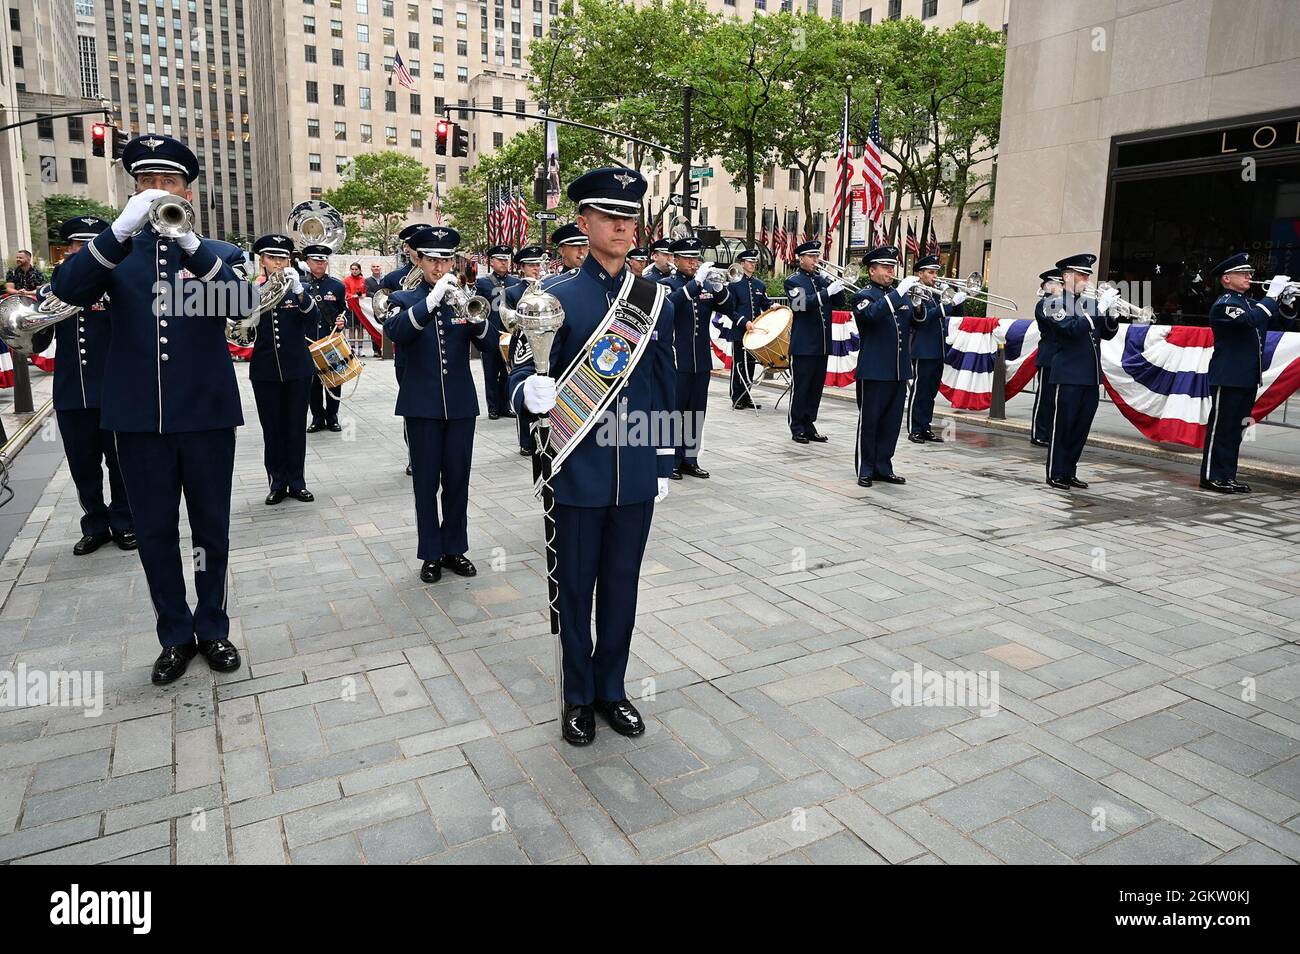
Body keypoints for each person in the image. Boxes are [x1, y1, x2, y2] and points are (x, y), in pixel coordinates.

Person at [51, 133, 248, 685]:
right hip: (138, 420)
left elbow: (239, 305)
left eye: (169, 182)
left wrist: (190, 244)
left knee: (211, 530)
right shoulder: (116, 255)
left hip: (206, 417)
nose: (158, 190)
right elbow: (67, 291)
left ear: (188, 190)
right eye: (148, 182)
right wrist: (116, 231)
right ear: (134, 187)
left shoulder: (216, 254)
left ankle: (212, 626)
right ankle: (174, 634)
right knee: (156, 532)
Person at [509, 167, 675, 747]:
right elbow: (523, 372)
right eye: (609, 216)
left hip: (632, 470)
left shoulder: (655, 300)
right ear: (583, 223)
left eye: (629, 217)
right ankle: (577, 696)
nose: (622, 226)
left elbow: (660, 382)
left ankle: (612, 690)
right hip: (575, 467)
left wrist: (661, 462)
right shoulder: (550, 299)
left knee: (623, 587)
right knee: (576, 588)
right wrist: (526, 394)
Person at [383, 226, 490, 584]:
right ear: (419, 259)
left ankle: (454, 548)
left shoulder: (464, 297)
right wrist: (429, 303)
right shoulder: (403, 297)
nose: (439, 266)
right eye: (432, 259)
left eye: (445, 259)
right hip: (422, 406)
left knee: (458, 480)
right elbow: (396, 333)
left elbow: (490, 345)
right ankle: (430, 552)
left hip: (460, 405)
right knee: (426, 483)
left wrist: (476, 313)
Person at [30, 217, 136, 556]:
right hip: (72, 390)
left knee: (119, 463)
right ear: (69, 249)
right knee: (82, 464)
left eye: (88, 244)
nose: (81, 251)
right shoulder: (54, 289)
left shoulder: (119, 286)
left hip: (114, 390)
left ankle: (124, 521)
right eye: (76, 245)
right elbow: (37, 340)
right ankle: (94, 524)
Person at [1200, 253, 1292, 493]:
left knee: (1236, 430)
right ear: (1227, 279)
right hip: (1228, 376)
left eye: (1249, 273)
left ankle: (1227, 475)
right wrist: (1271, 296)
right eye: (1243, 273)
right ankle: (1211, 475)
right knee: (1221, 428)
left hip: (1247, 377)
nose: (1250, 276)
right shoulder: (1225, 304)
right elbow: (1249, 321)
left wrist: (1285, 303)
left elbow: (1280, 324)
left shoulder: (1251, 304)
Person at [249, 234, 318, 505]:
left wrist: (300, 290)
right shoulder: (254, 291)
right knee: (272, 429)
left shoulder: (297, 290)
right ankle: (277, 482)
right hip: (265, 369)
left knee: (295, 427)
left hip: (297, 369)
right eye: (272, 258)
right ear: (262, 261)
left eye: (283, 258)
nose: (278, 262)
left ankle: (297, 481)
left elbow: (312, 320)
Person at [849, 245, 924, 487]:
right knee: (870, 421)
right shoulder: (863, 296)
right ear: (872, 270)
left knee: (891, 423)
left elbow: (917, 323)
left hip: (899, 369)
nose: (891, 271)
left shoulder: (898, 296)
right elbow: (871, 315)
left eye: (892, 266)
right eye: (885, 267)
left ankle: (883, 466)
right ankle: (866, 467)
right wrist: (898, 293)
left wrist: (918, 303)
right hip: (874, 369)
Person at [1046, 253, 1121, 491]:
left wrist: (1111, 314)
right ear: (1066, 276)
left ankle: (1069, 471)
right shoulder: (1055, 302)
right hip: (1068, 374)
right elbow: (1070, 330)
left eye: (1088, 276)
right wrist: (1099, 308)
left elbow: (1107, 334)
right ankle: (1056, 472)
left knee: (1080, 428)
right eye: (1081, 275)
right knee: (1063, 427)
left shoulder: (1087, 303)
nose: (1086, 280)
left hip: (1090, 375)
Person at [660, 236, 731, 479]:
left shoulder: (704, 285)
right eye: (688, 259)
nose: (693, 264)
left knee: (696, 412)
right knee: (674, 412)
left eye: (696, 259)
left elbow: (727, 308)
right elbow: (669, 305)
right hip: (678, 360)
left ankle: (690, 458)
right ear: (675, 259)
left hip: (701, 360)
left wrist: (720, 289)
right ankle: (670, 460)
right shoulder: (666, 284)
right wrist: (695, 284)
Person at [783, 240, 846, 443]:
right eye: (811, 257)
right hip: (804, 345)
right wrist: (826, 292)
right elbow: (800, 305)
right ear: (800, 258)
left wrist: (834, 283)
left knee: (816, 388)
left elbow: (840, 302)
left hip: (822, 344)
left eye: (816, 256)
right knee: (802, 387)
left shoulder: (821, 280)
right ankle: (797, 426)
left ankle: (809, 423)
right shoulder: (793, 281)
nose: (815, 260)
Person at [906, 255, 965, 443]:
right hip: (922, 349)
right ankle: (914, 428)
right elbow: (922, 318)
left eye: (935, 272)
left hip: (938, 349)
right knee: (919, 391)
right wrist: (947, 304)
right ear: (920, 273)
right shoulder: (915, 292)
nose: (934, 276)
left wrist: (958, 298)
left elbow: (956, 314)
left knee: (931, 391)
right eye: (930, 272)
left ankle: (925, 426)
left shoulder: (936, 292)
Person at [501, 244, 546, 457]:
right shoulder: (512, 292)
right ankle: (525, 441)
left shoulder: (548, 287)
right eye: (531, 265)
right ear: (522, 268)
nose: (536, 269)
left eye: (538, 264)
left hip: (545, 343)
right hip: (522, 345)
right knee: (525, 391)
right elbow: (507, 319)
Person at [302, 244, 348, 433]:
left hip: (331, 339)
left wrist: (342, 320)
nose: (320, 264)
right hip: (309, 341)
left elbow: (344, 310)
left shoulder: (337, 285)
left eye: (323, 260)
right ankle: (317, 418)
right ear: (307, 262)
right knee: (313, 383)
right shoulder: (301, 286)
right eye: (316, 260)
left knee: (334, 380)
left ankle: (332, 417)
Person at [475, 244, 522, 420]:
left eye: (506, 260)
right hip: (491, 332)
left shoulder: (515, 282)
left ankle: (505, 406)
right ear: (492, 262)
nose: (504, 263)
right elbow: (478, 306)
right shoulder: (483, 282)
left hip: (509, 334)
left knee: (507, 371)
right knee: (491, 371)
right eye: (500, 260)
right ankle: (493, 407)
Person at [728, 248, 769, 411]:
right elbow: (730, 310)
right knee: (739, 365)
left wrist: (775, 308)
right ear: (742, 263)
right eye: (750, 262)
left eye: (754, 262)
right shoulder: (734, 284)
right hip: (740, 331)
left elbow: (765, 305)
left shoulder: (760, 284)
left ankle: (747, 396)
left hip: (754, 333)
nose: (753, 264)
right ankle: (737, 397)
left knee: (750, 365)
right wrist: (743, 321)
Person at [1030, 268, 1063, 447]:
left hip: (1062, 357)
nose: (1059, 287)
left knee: (1057, 400)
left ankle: (1052, 432)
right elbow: (1054, 322)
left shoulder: (1064, 303)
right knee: (1046, 398)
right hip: (1049, 356)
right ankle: (1039, 433)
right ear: (1047, 286)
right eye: (1056, 284)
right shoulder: (1044, 304)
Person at [342, 261, 371, 355]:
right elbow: (346, 292)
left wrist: (362, 295)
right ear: (350, 270)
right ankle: (353, 348)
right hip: (351, 307)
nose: (354, 271)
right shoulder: (346, 280)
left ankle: (361, 349)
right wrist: (353, 296)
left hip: (361, 307)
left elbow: (366, 292)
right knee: (351, 328)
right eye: (353, 269)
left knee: (360, 328)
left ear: (360, 270)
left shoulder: (364, 280)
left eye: (356, 269)